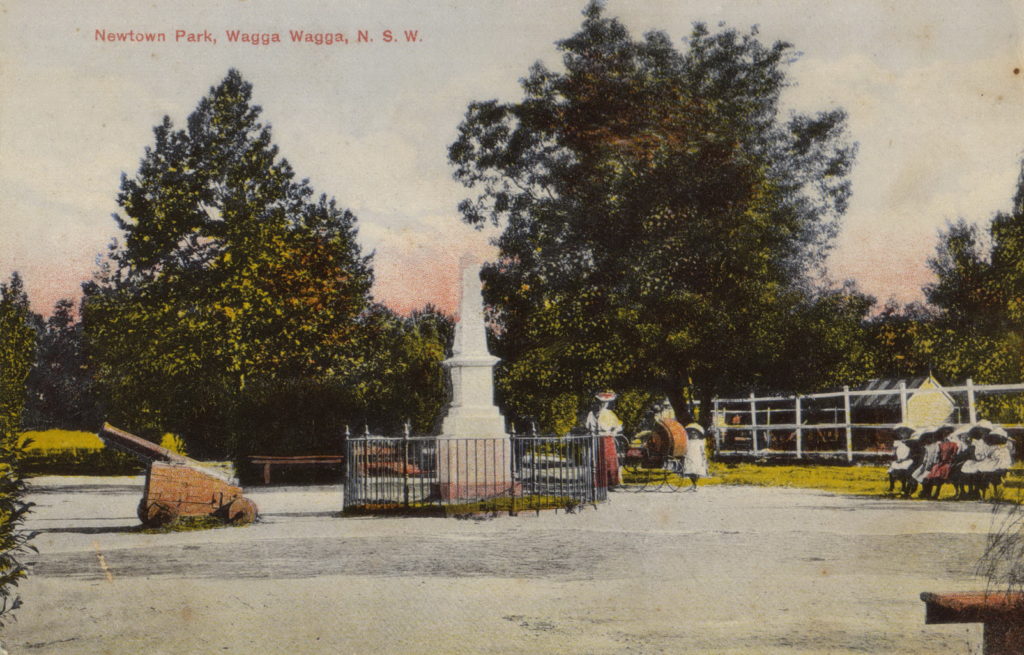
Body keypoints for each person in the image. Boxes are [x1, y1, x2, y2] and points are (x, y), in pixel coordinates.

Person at [920, 424, 960, 499]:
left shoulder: (954, 442)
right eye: (944, 433)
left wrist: (951, 460)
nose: (945, 434)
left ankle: (937, 493)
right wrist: (937, 461)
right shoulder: (940, 443)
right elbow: (938, 454)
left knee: (942, 471)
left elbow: (955, 453)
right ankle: (929, 493)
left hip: (949, 462)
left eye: (947, 432)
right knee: (933, 472)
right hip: (941, 462)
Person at [887, 424, 917, 495]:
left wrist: (903, 459)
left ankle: (903, 487)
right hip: (899, 459)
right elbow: (895, 452)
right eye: (902, 433)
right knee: (892, 470)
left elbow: (911, 454)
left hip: (907, 460)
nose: (903, 435)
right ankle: (892, 486)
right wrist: (895, 458)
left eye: (905, 433)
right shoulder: (898, 442)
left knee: (903, 470)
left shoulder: (911, 442)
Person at [681, 423, 709, 491]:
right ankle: (693, 484)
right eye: (692, 434)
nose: (694, 435)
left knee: (697, 471)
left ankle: (695, 484)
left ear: (698, 434)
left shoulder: (700, 442)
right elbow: (685, 449)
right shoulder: (688, 441)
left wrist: (704, 457)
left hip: (697, 457)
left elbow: (702, 450)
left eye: (695, 434)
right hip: (690, 456)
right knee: (690, 472)